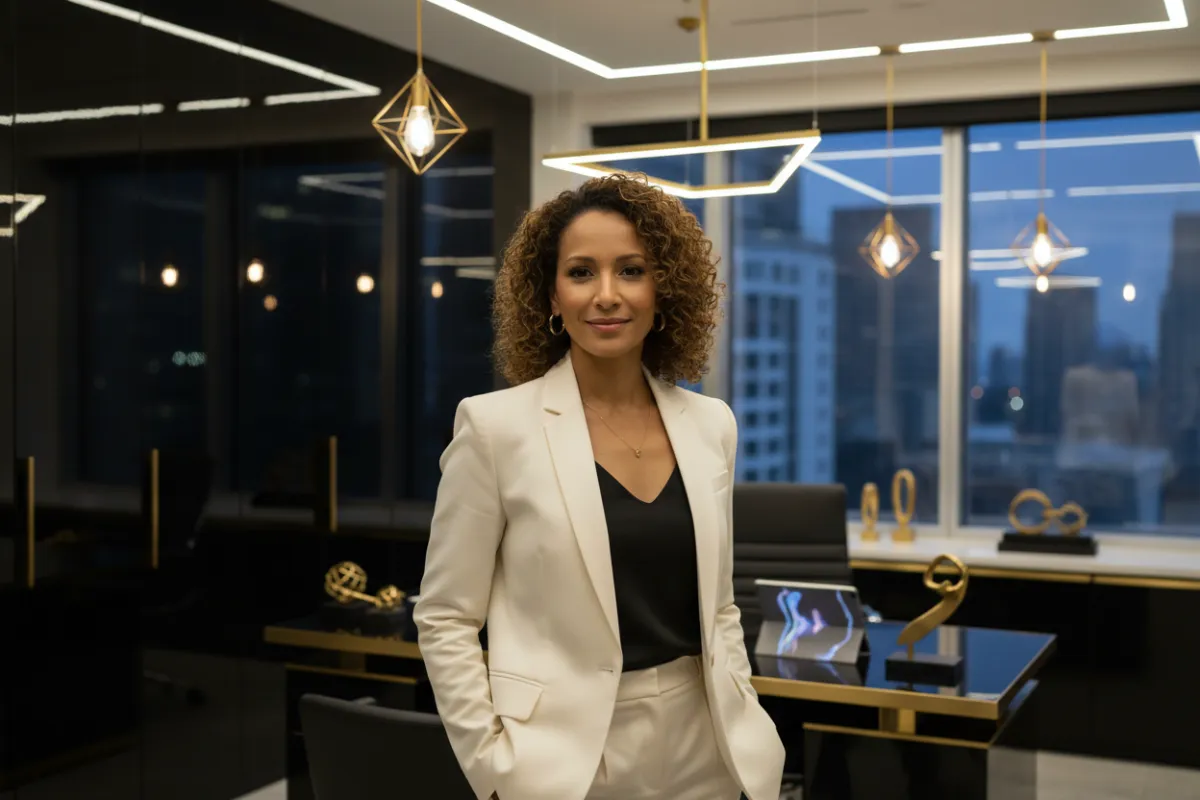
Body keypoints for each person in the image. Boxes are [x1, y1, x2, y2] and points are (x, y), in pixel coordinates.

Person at [414, 174, 785, 800]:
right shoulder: (495, 428)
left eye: (631, 270)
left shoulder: (711, 426)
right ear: (550, 296)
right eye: (582, 272)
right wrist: (492, 766)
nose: (606, 295)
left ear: (664, 288)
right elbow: (446, 616)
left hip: (708, 743)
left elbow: (719, 608)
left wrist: (744, 710)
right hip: (564, 760)